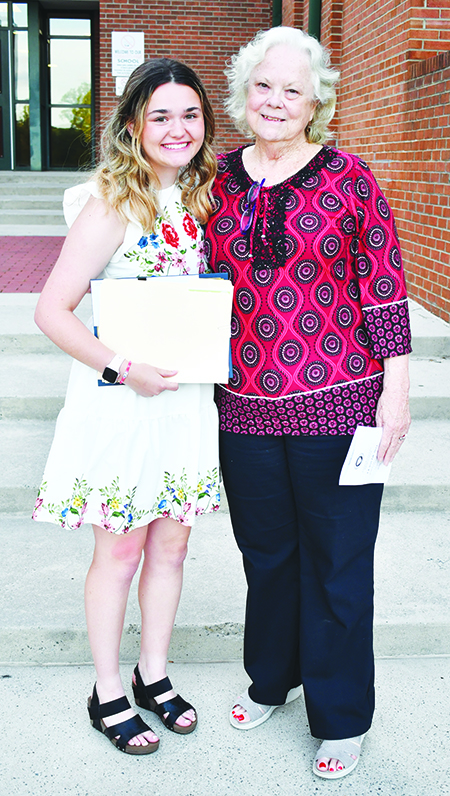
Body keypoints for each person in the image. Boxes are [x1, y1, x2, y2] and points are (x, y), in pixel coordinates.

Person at [204, 26, 411, 779]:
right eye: (264, 85)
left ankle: (342, 715)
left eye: (293, 88)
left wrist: (397, 389)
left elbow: (383, 284)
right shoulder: (216, 180)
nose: (277, 100)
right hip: (246, 408)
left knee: (338, 561)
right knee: (267, 557)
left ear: (316, 101)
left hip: (342, 406)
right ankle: (271, 680)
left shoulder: (352, 179)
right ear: (242, 93)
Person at [33, 58, 219, 755]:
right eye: (161, 115)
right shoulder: (110, 202)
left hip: (185, 404)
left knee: (173, 545)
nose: (178, 129)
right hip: (121, 403)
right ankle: (107, 688)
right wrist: (123, 366)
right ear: (134, 125)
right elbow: (51, 311)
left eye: (191, 114)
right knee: (119, 552)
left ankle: (154, 674)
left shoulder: (201, 203)